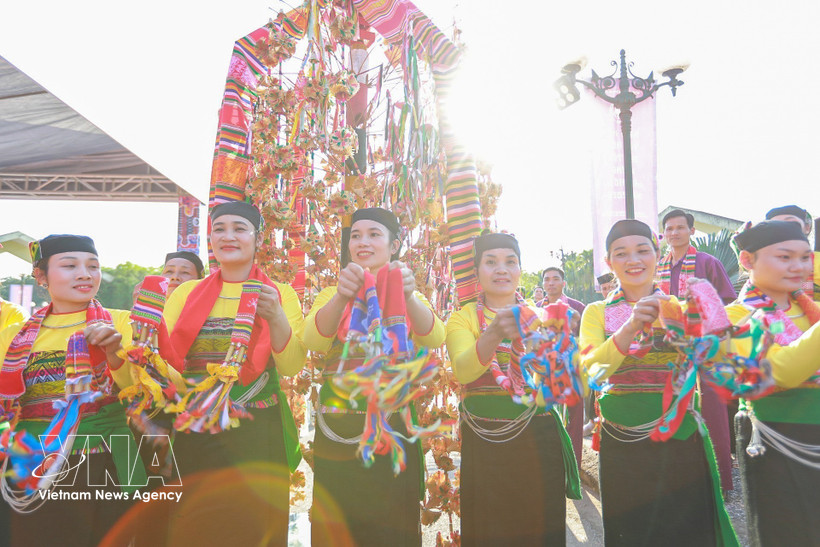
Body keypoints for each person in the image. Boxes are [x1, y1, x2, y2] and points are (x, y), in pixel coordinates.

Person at [580, 219, 736, 546]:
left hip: (681, 442)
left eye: (642, 250)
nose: (633, 260)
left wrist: (712, 318)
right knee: (632, 534)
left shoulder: (678, 308)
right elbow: (592, 371)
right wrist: (632, 325)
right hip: (624, 445)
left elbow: (721, 361)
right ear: (609, 262)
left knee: (687, 534)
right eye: (621, 253)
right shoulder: (596, 312)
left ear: (657, 255)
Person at [162, 201, 306, 546]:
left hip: (257, 428)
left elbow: (291, 366)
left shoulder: (280, 294)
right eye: (220, 229)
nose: (228, 236)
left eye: (239, 228)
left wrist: (275, 317)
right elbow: (167, 365)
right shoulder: (185, 293)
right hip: (197, 426)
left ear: (258, 240)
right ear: (210, 238)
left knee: (255, 528)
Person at [301, 207, 445, 546]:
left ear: (393, 246)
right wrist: (341, 296)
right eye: (356, 235)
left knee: (392, 526)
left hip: (392, 428)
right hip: (338, 430)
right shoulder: (333, 292)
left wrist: (408, 296)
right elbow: (313, 340)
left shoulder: (408, 292)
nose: (363, 242)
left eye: (374, 234)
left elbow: (434, 337)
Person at [0, 234, 145, 547]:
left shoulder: (122, 321)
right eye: (70, 266)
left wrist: (114, 354)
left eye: (92, 266)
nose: (85, 273)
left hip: (106, 461)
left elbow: (153, 393)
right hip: (32, 462)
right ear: (41, 276)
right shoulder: (14, 335)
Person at [446, 232, 579, 546]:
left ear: (520, 270)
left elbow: (562, 384)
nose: (501, 269)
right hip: (484, 442)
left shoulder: (544, 317)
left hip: (539, 440)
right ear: (477, 272)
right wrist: (494, 332)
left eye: (510, 262)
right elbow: (464, 370)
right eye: (490, 262)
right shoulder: (462, 319)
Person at [727, 220, 820, 546]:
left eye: (805, 257)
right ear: (747, 260)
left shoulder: (814, 313)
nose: (798, 266)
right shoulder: (734, 316)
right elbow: (779, 370)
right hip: (772, 437)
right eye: (785, 257)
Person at [659, 208, 736, 493]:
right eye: (669, 228)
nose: (674, 233)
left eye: (680, 227)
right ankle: (680, 478)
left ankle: (721, 480)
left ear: (692, 231)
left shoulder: (707, 262)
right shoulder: (657, 266)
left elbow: (727, 301)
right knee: (672, 406)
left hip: (707, 345)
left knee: (714, 410)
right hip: (670, 348)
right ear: (664, 233)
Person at [538, 266, 585, 471]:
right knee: (545, 417)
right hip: (543, 374)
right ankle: (549, 465)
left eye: (555, 279)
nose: (551, 283)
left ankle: (573, 468)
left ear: (563, 283)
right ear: (542, 284)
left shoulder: (577, 307)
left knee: (574, 420)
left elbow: (586, 340)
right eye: (547, 279)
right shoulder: (536, 308)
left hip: (573, 373)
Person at [765, 204, 819, 300]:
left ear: (807, 227)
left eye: (791, 223)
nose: (783, 229)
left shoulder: (817, 262)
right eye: (775, 226)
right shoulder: (762, 263)